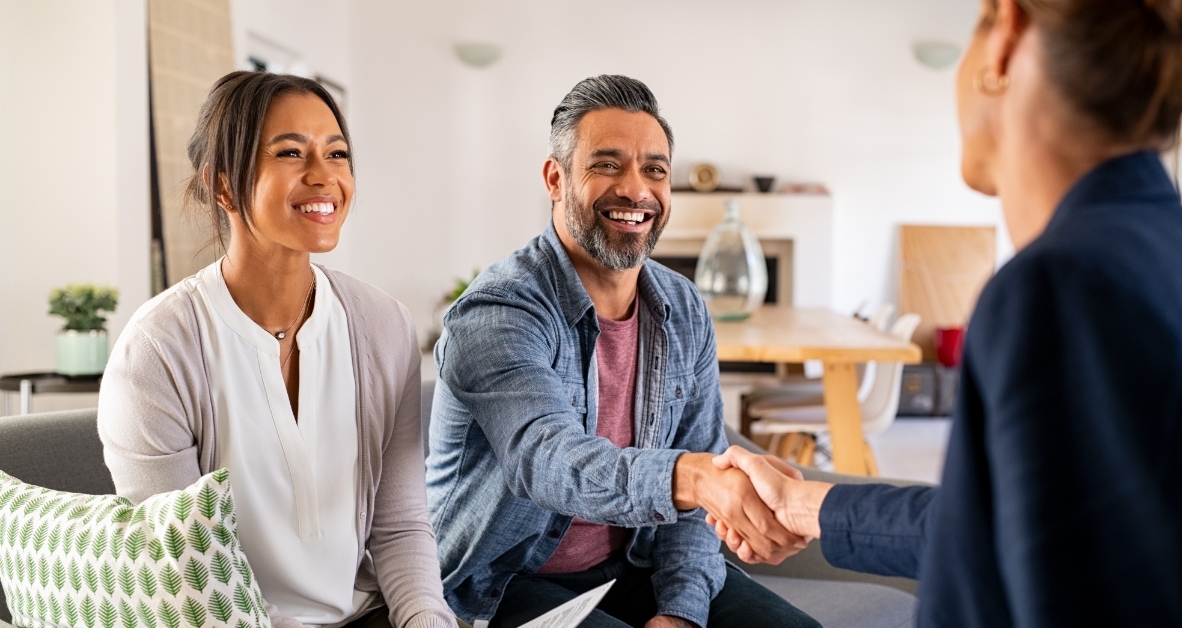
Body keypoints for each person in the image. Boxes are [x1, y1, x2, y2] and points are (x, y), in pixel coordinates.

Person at [707, 0, 1182, 626]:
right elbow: (1009, 528)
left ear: (1005, 37)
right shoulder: (1181, 251)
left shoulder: (1061, 287)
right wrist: (804, 504)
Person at [425, 75, 817, 628]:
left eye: (654, 170)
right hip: (500, 583)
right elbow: (550, 461)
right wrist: (695, 477)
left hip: (632, 565)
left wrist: (679, 612)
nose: (635, 190)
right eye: (607, 165)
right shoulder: (498, 313)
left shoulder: (681, 307)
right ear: (555, 178)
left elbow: (692, 491)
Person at [97, 72, 460, 628]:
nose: (325, 177)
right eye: (291, 152)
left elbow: (401, 524)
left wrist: (425, 621)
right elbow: (181, 573)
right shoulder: (157, 350)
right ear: (223, 185)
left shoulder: (383, 326)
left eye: (337, 154)